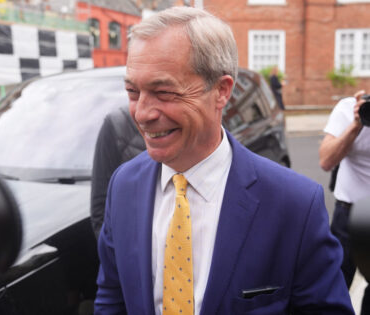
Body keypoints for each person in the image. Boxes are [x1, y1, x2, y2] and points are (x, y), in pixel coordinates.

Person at [95, 6, 353, 314]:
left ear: (221, 90)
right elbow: (112, 297)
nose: (142, 113)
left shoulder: (295, 204)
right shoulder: (124, 185)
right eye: (133, 91)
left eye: (164, 92)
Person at [319, 90, 370, 314]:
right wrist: (355, 125)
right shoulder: (348, 109)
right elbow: (326, 160)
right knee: (332, 287)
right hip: (348, 216)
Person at [91, 106, 145, 239]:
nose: (147, 115)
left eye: (162, 92)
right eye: (133, 91)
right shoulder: (117, 124)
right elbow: (101, 208)